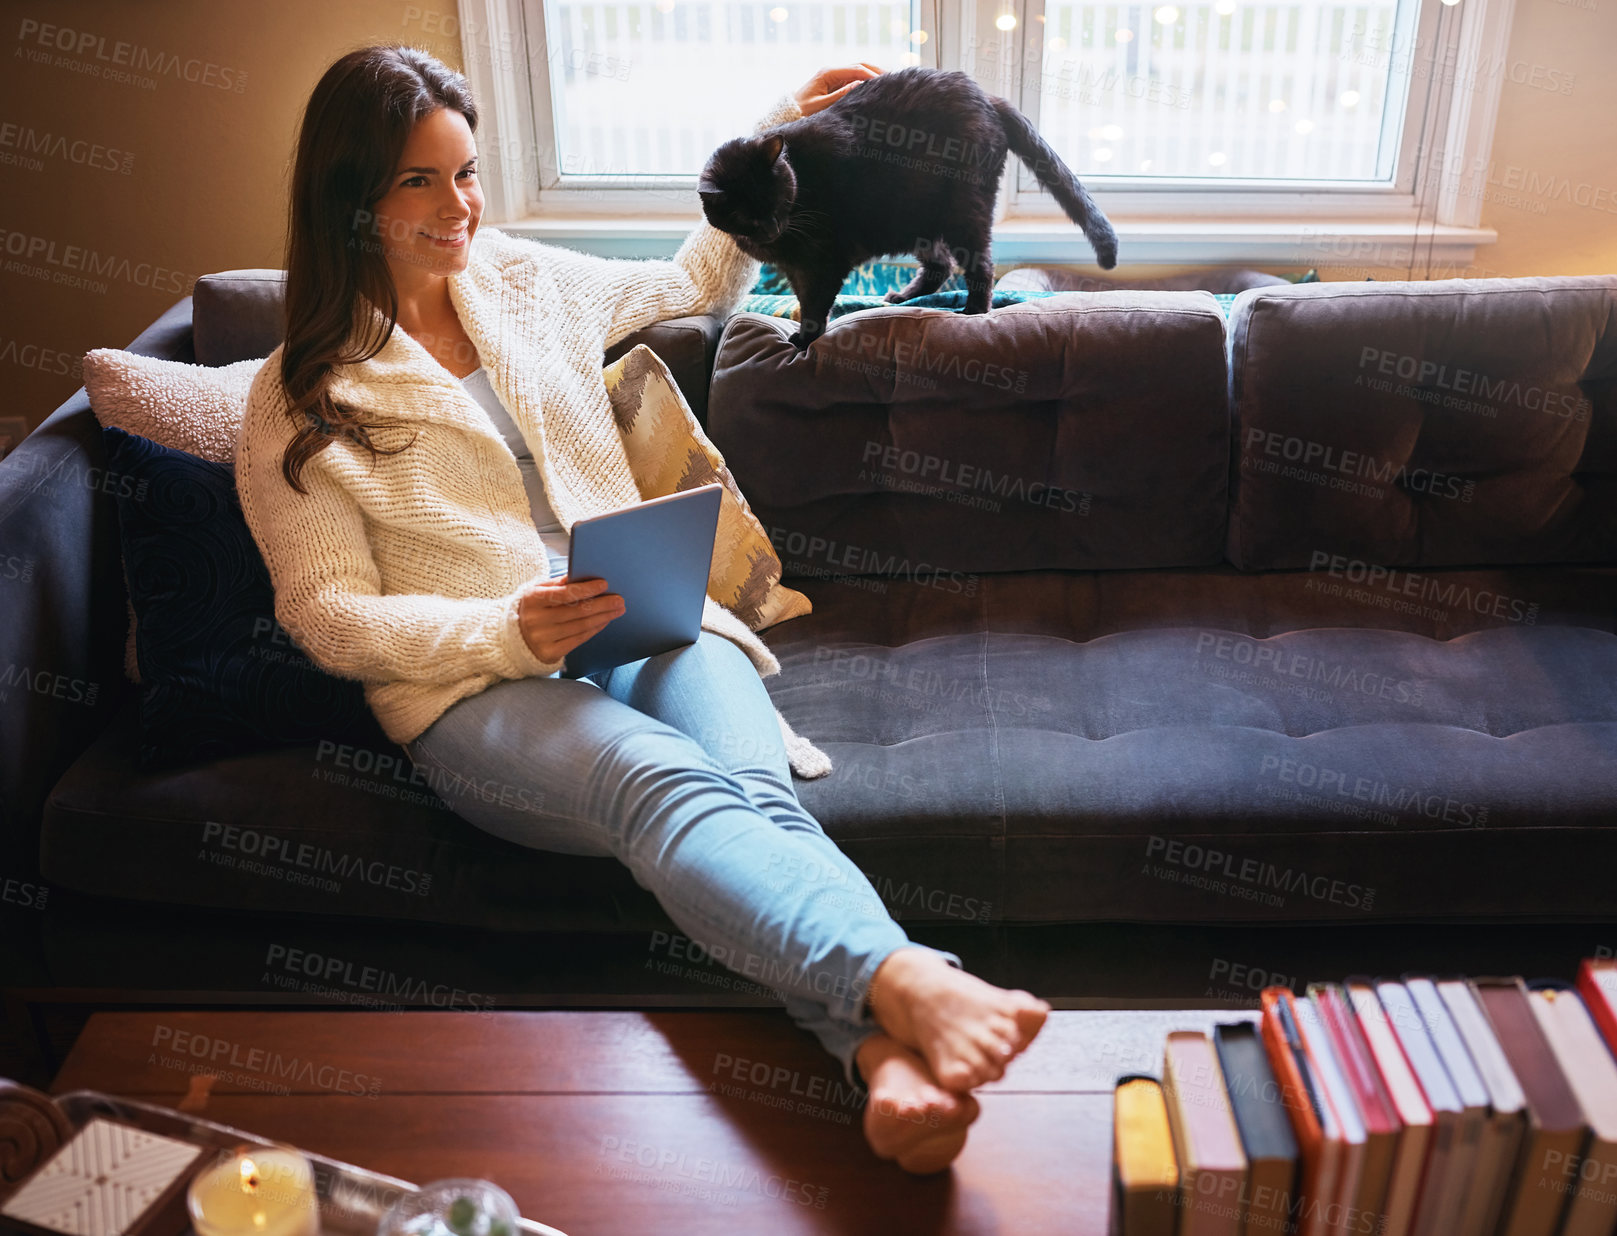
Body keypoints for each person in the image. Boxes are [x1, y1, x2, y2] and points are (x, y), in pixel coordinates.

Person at [236, 44, 1048, 1173]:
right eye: (420, 180)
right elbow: (322, 613)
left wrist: (775, 130)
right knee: (658, 782)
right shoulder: (297, 395)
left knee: (754, 792)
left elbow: (693, 286)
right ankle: (907, 979)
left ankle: (881, 1061)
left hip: (646, 617)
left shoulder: (519, 280)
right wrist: (503, 630)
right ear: (349, 195)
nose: (458, 206)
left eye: (466, 173)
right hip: (475, 682)